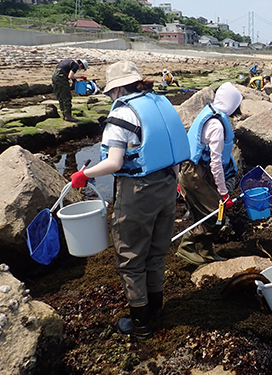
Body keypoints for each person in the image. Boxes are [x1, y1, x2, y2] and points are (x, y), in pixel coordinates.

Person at [69, 60, 190, 339]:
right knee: (157, 253)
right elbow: (172, 153)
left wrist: (83, 175)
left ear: (117, 89)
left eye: (111, 92)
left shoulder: (121, 115)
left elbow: (114, 163)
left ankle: (141, 324)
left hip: (138, 191)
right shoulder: (160, 104)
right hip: (168, 184)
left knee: (131, 258)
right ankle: (156, 310)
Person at [176, 82, 243, 266]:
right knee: (215, 213)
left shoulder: (212, 113)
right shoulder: (216, 126)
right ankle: (187, 246)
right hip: (195, 174)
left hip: (194, 170)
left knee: (204, 212)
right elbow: (215, 163)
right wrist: (224, 193)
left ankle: (206, 250)